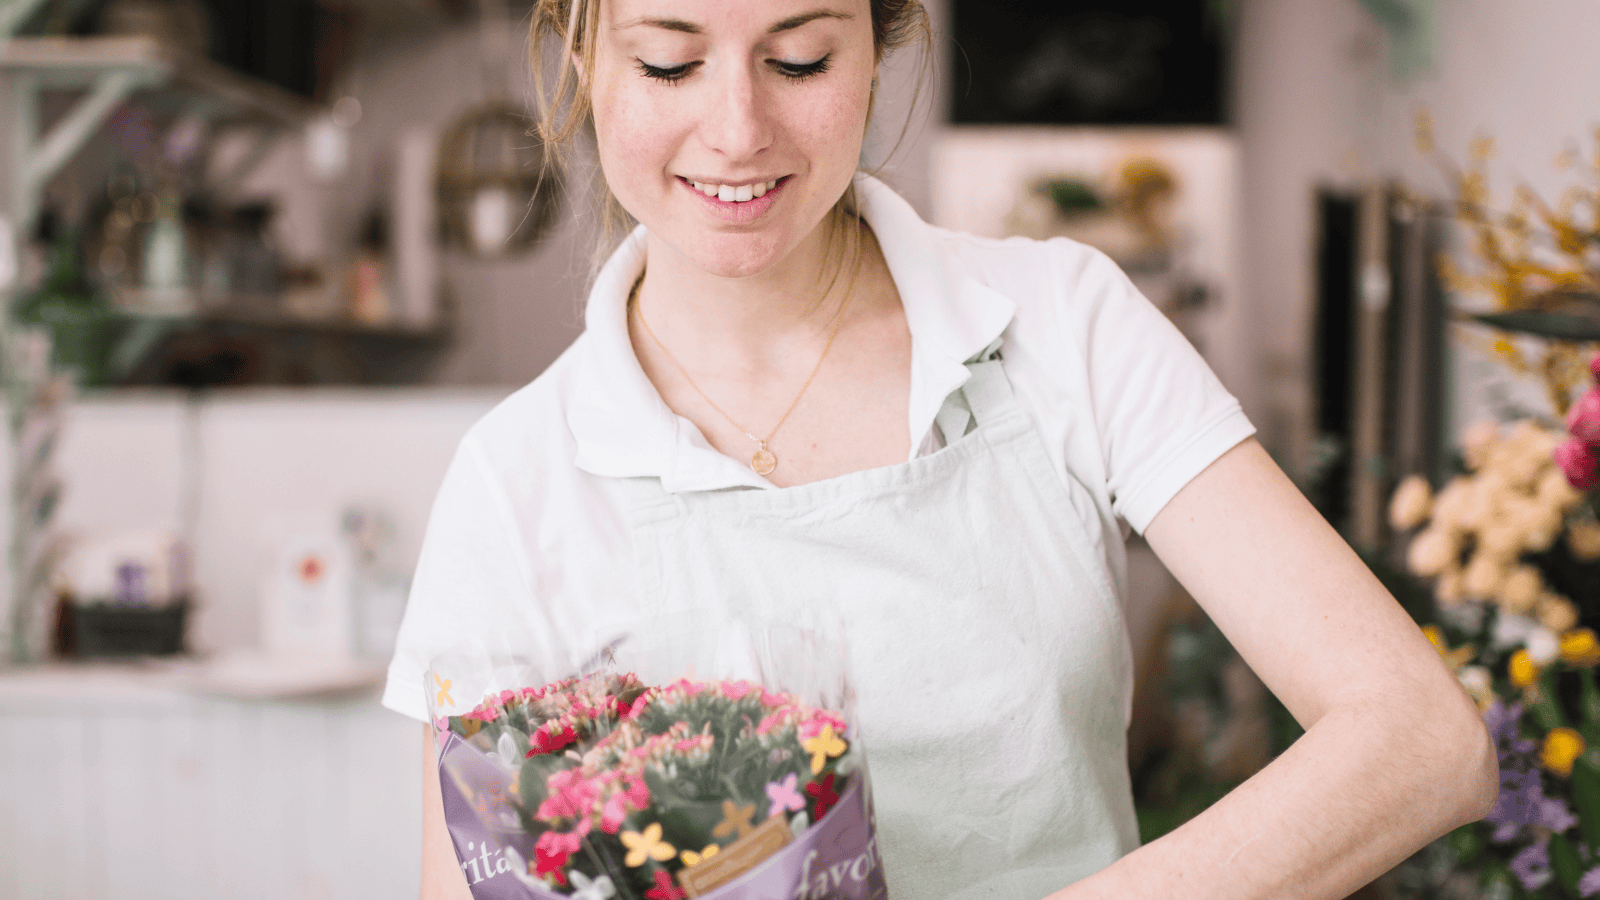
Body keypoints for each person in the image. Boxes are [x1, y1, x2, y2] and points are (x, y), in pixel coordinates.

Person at [383, 1, 1498, 898]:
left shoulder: (1061, 321)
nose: (735, 129)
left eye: (803, 58)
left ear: (881, 43)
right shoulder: (515, 478)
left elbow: (1417, 740)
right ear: (582, 54)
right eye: (670, 63)